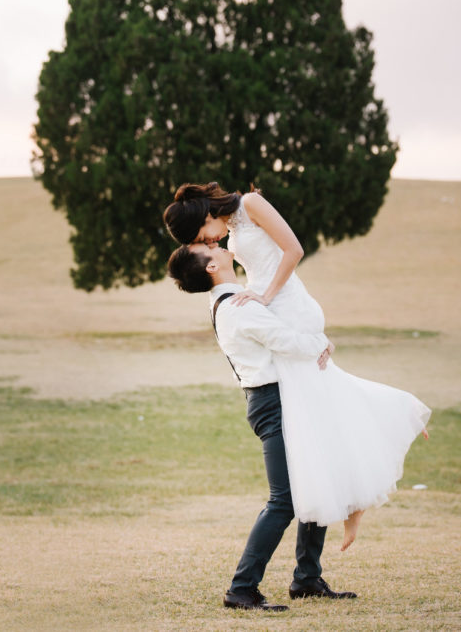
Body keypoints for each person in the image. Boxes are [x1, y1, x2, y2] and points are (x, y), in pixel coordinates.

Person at [164, 183, 431, 547]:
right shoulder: (232, 232)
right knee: (324, 423)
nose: (212, 243)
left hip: (283, 301)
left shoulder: (251, 205)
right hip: (267, 306)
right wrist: (259, 300)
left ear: (206, 215)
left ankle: (384, 445)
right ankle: (353, 506)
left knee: (330, 409)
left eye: (203, 236)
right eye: (204, 242)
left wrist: (265, 296)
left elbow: (294, 249)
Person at [167, 242, 357, 610]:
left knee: (313, 481)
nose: (217, 245)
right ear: (210, 268)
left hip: (284, 397)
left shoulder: (237, 298)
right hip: (273, 403)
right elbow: (285, 341)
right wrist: (322, 342)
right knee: (284, 499)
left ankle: (306, 578)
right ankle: (242, 588)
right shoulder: (238, 308)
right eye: (208, 248)